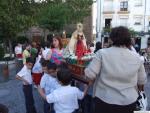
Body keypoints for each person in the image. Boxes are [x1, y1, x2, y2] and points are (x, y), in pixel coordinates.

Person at [85, 26, 147, 113]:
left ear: (112, 38)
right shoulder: (137, 57)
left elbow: (89, 75)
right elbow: (142, 81)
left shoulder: (102, 53)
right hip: (128, 102)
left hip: (104, 100)